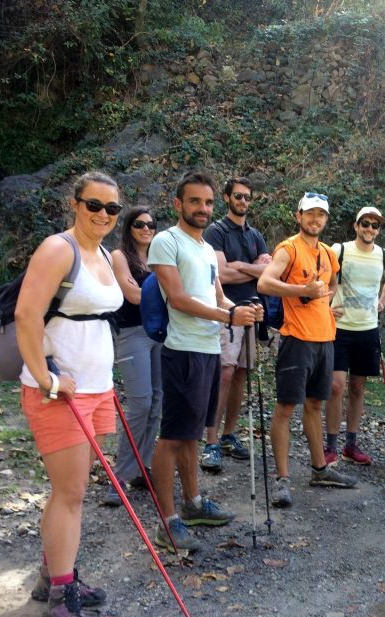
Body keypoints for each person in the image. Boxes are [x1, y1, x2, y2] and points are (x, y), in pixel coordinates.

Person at [16, 171, 123, 617]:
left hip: (96, 387)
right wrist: (45, 377)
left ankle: (51, 572)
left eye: (111, 208)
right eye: (93, 205)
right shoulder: (58, 248)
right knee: (72, 492)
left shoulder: (101, 252)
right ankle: (61, 595)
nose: (103, 215)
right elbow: (25, 314)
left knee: (70, 488)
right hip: (59, 391)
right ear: (75, 204)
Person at [148, 171, 260, 552]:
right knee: (173, 435)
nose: (203, 208)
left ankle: (193, 504)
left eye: (208, 202)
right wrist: (228, 317)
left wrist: (242, 308)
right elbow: (177, 298)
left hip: (209, 350)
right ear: (178, 203)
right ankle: (167, 521)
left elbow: (218, 296)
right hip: (182, 351)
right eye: (195, 201)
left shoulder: (205, 249)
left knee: (194, 432)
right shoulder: (166, 241)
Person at [257, 192, 357, 508]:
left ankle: (320, 469)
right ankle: (282, 481)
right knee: (286, 408)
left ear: (326, 220)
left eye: (321, 215)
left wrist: (329, 307)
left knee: (315, 405)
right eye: (310, 213)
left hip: (325, 338)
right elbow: (264, 283)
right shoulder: (288, 249)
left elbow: (328, 288)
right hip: (296, 340)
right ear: (298, 216)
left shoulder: (328, 253)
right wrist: (302, 290)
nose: (316, 219)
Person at [200, 176, 271, 472]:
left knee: (243, 373)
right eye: (238, 196)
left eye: (247, 197)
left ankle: (229, 435)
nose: (243, 202)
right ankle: (211, 441)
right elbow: (222, 276)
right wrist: (251, 269)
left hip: (253, 311)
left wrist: (240, 265)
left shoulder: (255, 234)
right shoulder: (216, 232)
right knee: (224, 374)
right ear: (227, 197)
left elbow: (267, 275)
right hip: (227, 311)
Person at [324, 206, 385, 466]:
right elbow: (324, 279)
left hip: (368, 329)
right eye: (365, 223)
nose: (369, 229)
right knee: (336, 386)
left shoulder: (384, 255)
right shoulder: (339, 250)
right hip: (340, 328)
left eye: (375, 225)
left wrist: (383, 301)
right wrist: (325, 305)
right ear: (356, 226)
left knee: (357, 388)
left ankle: (350, 445)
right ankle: (331, 446)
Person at [100, 206, 163, 507]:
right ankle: (120, 475)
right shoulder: (119, 256)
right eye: (139, 224)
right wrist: (168, 291)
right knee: (141, 402)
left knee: (157, 401)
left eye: (151, 225)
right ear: (129, 227)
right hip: (132, 333)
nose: (146, 229)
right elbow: (133, 295)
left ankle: (143, 466)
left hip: (161, 334)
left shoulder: (159, 256)